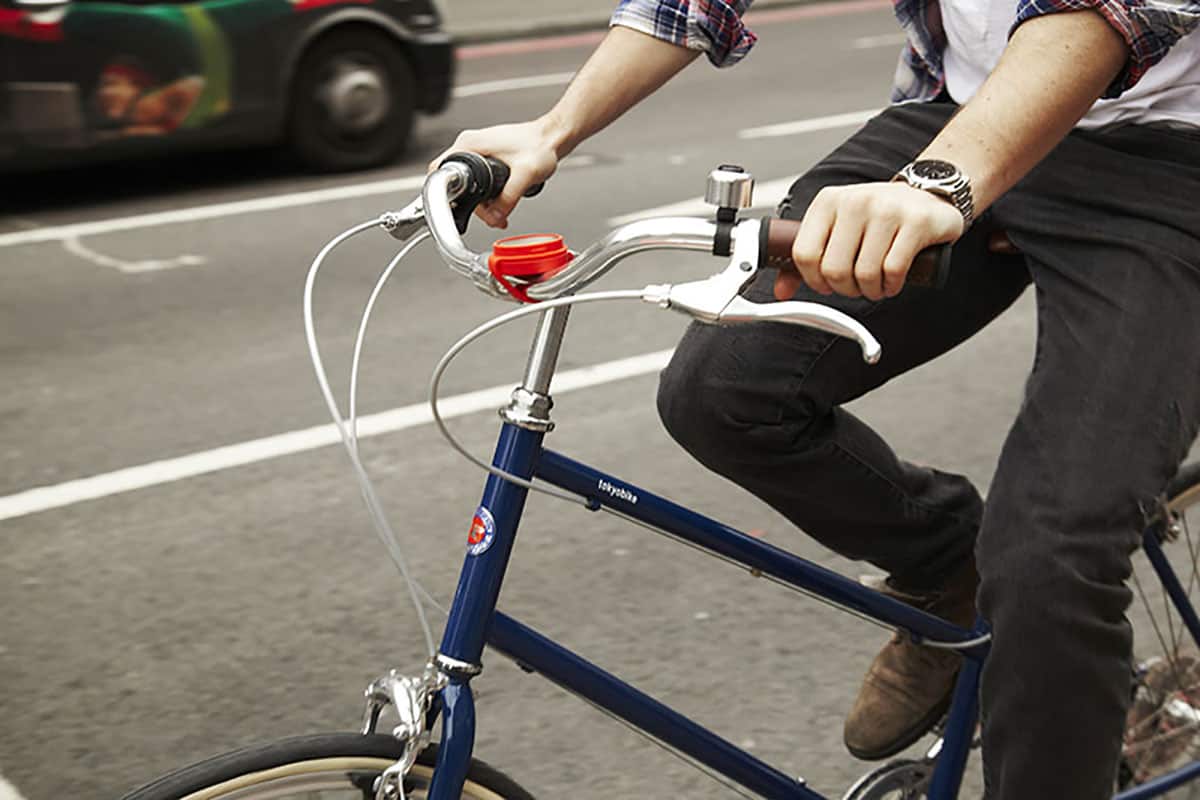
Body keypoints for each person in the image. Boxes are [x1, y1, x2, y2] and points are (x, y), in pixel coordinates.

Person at [436, 1, 1200, 796]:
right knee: (725, 390)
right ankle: (950, 565)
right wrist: (553, 128)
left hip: (1172, 156)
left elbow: (1104, 13)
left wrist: (937, 183)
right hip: (963, 111)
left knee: (1049, 556)